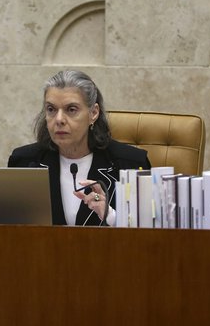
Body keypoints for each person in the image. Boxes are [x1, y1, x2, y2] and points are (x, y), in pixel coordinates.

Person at [8, 70, 151, 226]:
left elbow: (149, 236)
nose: (59, 119)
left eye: (71, 110)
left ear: (93, 113)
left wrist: (110, 215)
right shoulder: (25, 162)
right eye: (51, 109)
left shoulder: (129, 164)